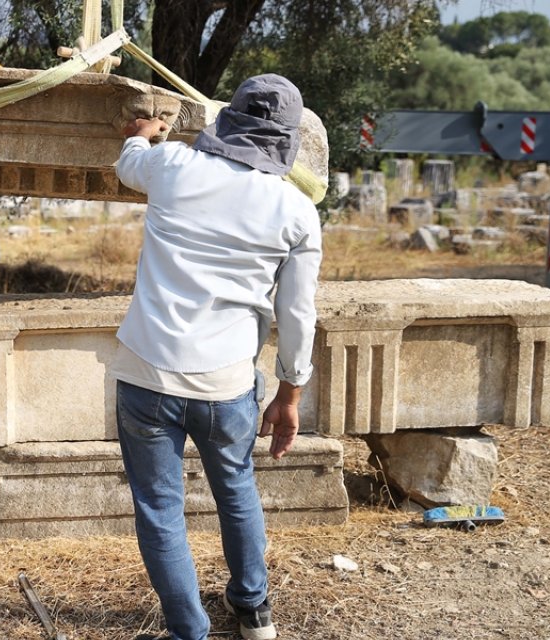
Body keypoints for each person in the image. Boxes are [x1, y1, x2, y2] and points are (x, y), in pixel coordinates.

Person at [111, 73, 321, 640]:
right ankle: (253, 610)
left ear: (228, 118)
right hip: (226, 381)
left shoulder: (173, 166)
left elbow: (130, 162)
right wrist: (291, 394)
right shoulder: (296, 211)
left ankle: (189, 631)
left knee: (160, 511)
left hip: (146, 371)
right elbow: (298, 316)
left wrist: (142, 132)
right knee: (236, 488)